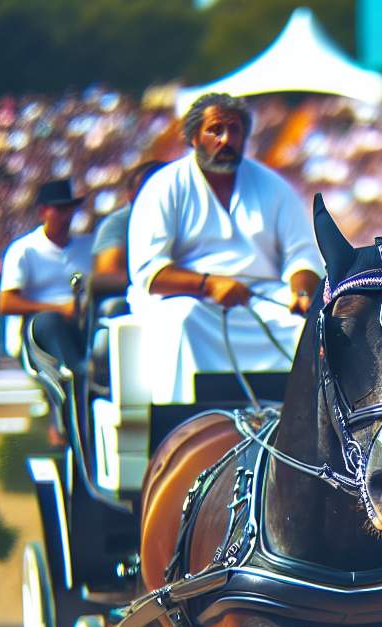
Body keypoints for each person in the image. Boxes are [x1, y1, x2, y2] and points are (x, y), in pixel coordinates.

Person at [127, 92, 323, 403]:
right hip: (189, 301)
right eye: (215, 130)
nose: (226, 139)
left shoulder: (272, 186)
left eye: (234, 131)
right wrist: (210, 285)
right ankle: (186, 427)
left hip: (262, 299)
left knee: (306, 329)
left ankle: (300, 432)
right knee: (182, 322)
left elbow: (302, 255)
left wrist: (301, 293)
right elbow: (149, 273)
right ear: (194, 137)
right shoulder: (164, 187)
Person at [0, 178, 93, 373]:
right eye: (59, 209)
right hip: (38, 330)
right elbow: (6, 303)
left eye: (68, 208)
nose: (66, 216)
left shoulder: (88, 246)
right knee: (51, 321)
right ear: (43, 212)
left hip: (82, 324)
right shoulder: (24, 250)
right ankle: (76, 373)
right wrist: (59, 309)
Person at [89, 160, 166, 307]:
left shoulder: (184, 216)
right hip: (134, 297)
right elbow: (108, 274)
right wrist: (157, 279)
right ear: (131, 195)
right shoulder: (118, 223)